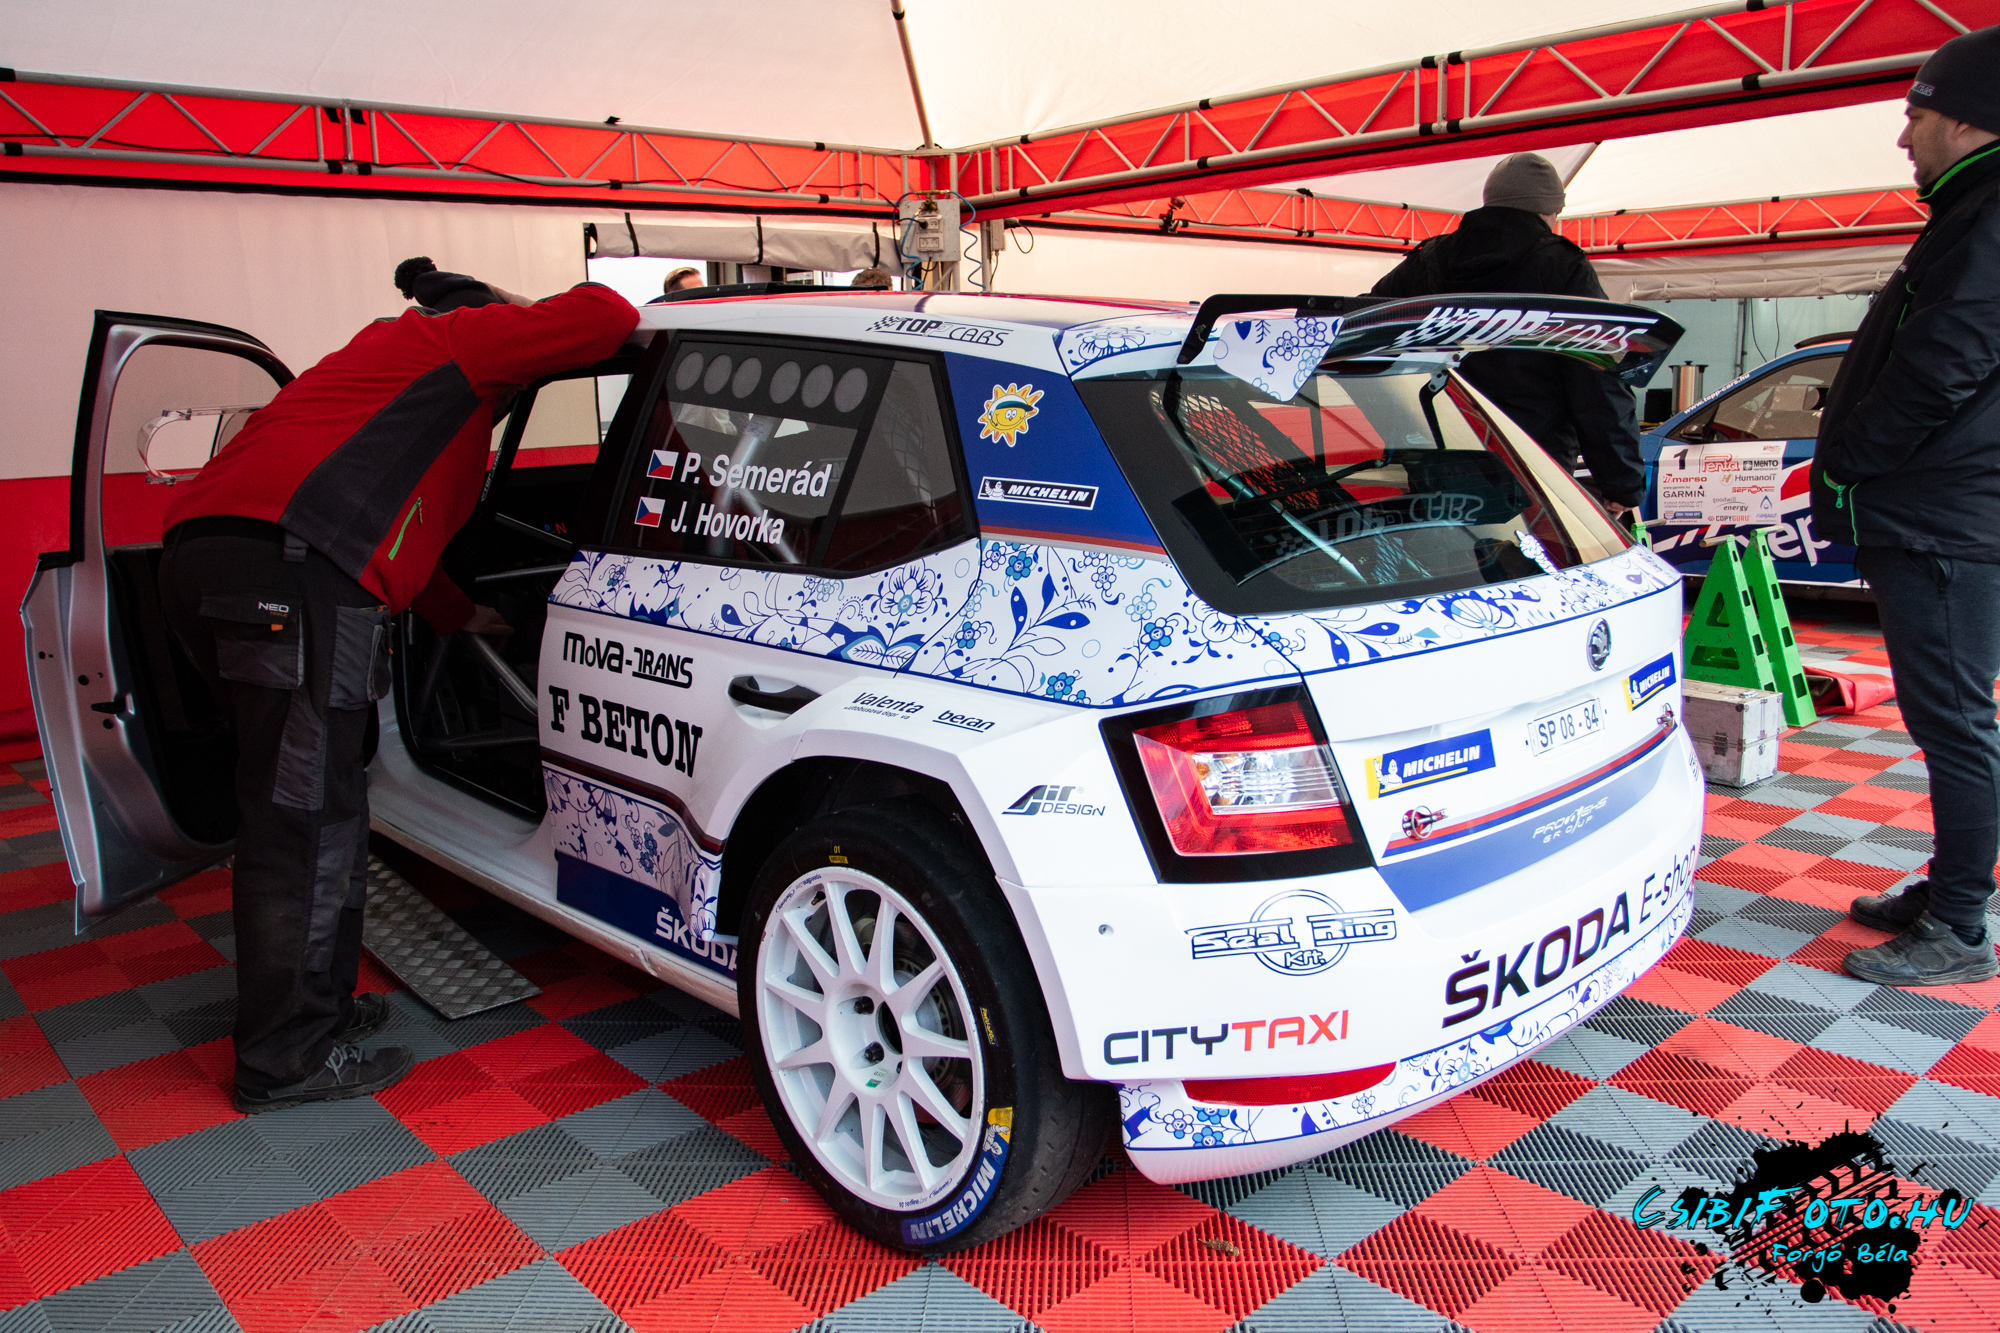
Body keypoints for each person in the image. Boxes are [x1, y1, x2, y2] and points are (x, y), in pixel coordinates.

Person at [158, 273, 639, 1111]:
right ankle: (284, 1058)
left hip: (218, 566)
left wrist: (458, 615)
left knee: (327, 803)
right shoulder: (455, 342)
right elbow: (609, 316)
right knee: (304, 821)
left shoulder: (375, 368)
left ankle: (319, 1011)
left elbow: (393, 531)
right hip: (292, 581)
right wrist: (514, 314)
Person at [1810, 24, 2000, 987]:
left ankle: (1960, 926)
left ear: (1967, 119)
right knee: (1950, 722)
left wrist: (1852, 462)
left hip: (1941, 518)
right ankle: (1951, 890)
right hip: (1945, 512)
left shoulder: (1989, 214)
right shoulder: (1974, 210)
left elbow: (1942, 364)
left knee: (1956, 724)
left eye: (1913, 115)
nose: (1902, 137)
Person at [1370, 153, 1645, 515]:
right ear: (1548, 211)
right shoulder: (1562, 266)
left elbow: (1365, 329)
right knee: (1530, 548)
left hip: (1440, 452)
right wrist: (1621, 482)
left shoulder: (1428, 260)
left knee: (1453, 547)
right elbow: (1596, 376)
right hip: (1532, 461)